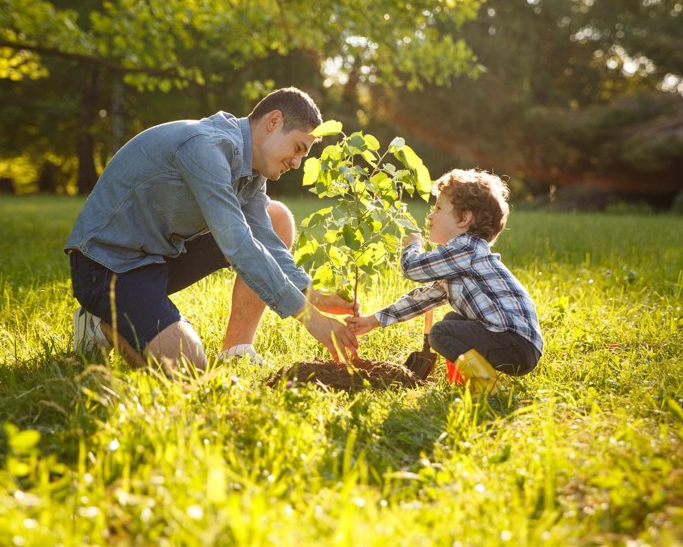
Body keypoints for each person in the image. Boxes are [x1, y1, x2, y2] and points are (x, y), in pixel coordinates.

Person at [65, 87, 359, 372]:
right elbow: (239, 244)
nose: (296, 163)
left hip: (158, 256)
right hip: (107, 266)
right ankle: (99, 326)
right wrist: (310, 319)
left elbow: (265, 239)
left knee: (276, 218)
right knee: (188, 368)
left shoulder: (252, 171)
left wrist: (312, 294)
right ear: (273, 122)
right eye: (298, 149)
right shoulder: (206, 147)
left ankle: (237, 350)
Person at [345, 168, 542, 379]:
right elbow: (422, 299)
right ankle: (463, 380)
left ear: (464, 218)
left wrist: (413, 246)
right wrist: (372, 320)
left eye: (438, 208)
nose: (430, 216)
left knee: (440, 332)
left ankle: (484, 383)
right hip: (518, 344)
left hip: (513, 342)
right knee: (452, 320)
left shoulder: (467, 248)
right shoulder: (461, 261)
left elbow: (412, 268)